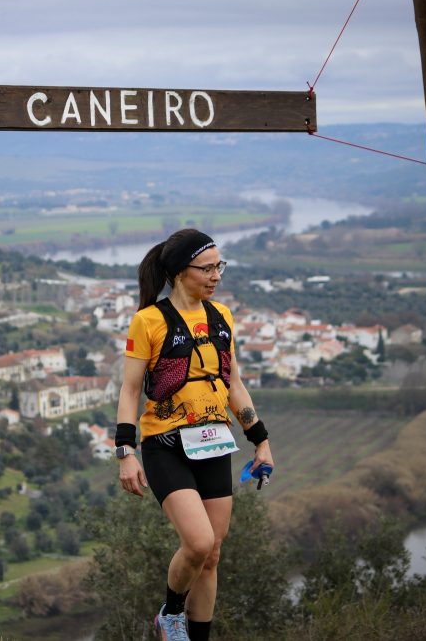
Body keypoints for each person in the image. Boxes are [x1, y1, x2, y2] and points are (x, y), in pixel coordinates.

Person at [116, 229, 274, 641]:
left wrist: (260, 439)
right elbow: (130, 389)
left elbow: (233, 383)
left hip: (215, 441)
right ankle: (170, 612)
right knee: (199, 542)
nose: (216, 275)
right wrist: (125, 451)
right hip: (165, 445)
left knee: (213, 554)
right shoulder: (149, 320)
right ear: (179, 272)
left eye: (219, 266)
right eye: (207, 268)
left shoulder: (222, 317)